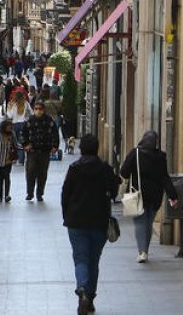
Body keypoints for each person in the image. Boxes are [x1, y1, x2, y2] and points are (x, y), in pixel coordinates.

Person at [62, 134, 119, 315]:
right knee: (93, 260)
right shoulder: (105, 169)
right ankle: (90, 297)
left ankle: (82, 290)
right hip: (99, 221)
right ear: (97, 148)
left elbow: (65, 194)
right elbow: (114, 191)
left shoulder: (74, 169)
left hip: (76, 221)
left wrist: (67, 215)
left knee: (80, 258)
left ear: (81, 148)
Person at [118, 130, 180, 262]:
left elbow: (123, 172)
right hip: (155, 197)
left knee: (140, 223)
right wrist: (172, 196)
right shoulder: (161, 156)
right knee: (148, 223)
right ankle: (145, 249)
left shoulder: (135, 153)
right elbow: (165, 177)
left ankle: (142, 252)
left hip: (138, 195)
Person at [22, 101, 60, 202]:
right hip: (32, 152)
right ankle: (30, 193)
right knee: (30, 172)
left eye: (40, 109)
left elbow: (55, 134)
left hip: (45, 151)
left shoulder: (49, 121)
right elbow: (23, 134)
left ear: (44, 110)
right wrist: (26, 144)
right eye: (36, 109)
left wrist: (55, 146)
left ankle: (40, 193)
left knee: (42, 174)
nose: (38, 111)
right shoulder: (29, 121)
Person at [0, 120, 16, 203]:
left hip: (8, 160)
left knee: (7, 177)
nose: (10, 128)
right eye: (8, 126)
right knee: (0, 179)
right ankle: (0, 196)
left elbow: (15, 145)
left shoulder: (12, 134)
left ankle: (7, 195)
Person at [5, 90, 30, 165]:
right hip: (23, 124)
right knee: (21, 142)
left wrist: (8, 110)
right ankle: (21, 160)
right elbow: (31, 112)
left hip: (14, 124)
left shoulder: (12, 104)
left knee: (13, 143)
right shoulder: (26, 103)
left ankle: (14, 158)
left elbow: (10, 116)